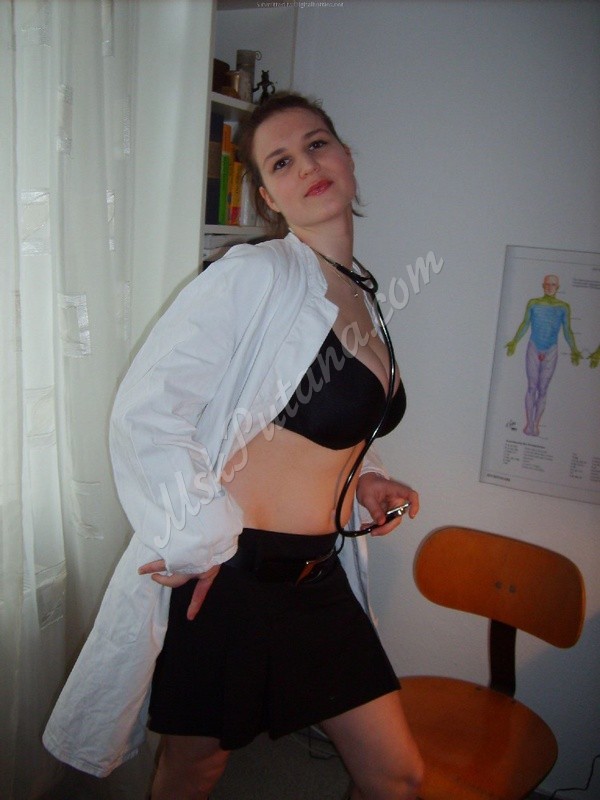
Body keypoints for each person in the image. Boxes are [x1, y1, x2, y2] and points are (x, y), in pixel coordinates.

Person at [43, 92, 423, 800]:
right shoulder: (257, 274)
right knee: (195, 770)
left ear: (347, 158)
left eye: (317, 144)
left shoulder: (362, 295)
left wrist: (367, 477)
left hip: (319, 575)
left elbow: (296, 419)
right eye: (281, 161)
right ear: (268, 198)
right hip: (236, 576)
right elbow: (147, 411)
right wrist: (200, 534)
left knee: (398, 774)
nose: (306, 165)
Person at [505, 274, 581, 436]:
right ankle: (529, 424)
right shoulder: (533, 303)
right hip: (533, 347)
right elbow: (525, 324)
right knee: (531, 386)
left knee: (543, 389)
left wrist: (574, 350)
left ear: (557, 287)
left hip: (551, 350)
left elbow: (567, 330)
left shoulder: (564, 307)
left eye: (552, 285)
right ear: (542, 286)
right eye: (547, 284)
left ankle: (536, 425)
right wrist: (514, 341)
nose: (549, 287)